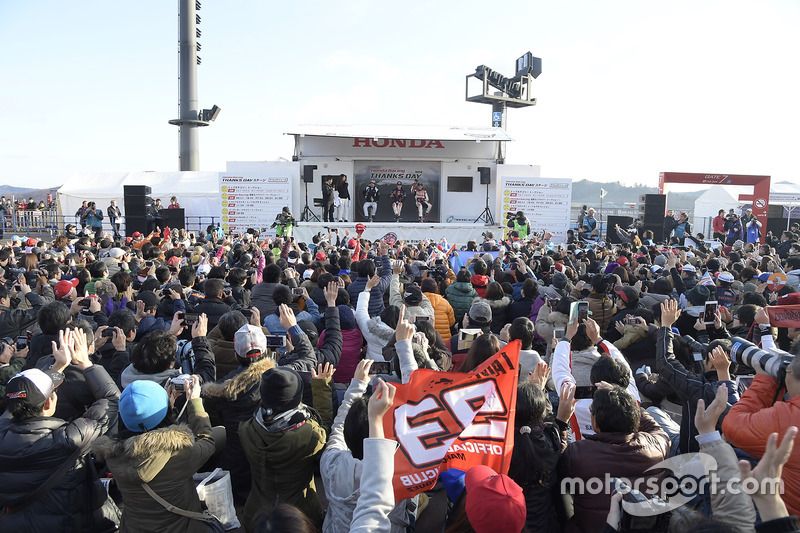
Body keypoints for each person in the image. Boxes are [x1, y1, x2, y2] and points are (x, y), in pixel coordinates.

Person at [0, 329, 122, 532]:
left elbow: (12, 410)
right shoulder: (68, 439)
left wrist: (58, 367)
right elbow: (112, 401)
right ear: (49, 403)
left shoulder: (3, 431)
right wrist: (85, 363)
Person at [94, 376, 220, 532]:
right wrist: (194, 402)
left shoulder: (112, 456)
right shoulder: (179, 453)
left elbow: (147, 437)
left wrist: (167, 410)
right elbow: (207, 443)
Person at [239, 365, 332, 530]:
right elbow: (324, 425)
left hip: (256, 516)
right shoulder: (309, 435)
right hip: (299, 518)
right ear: (297, 400)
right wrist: (320, 386)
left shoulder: (246, 429)